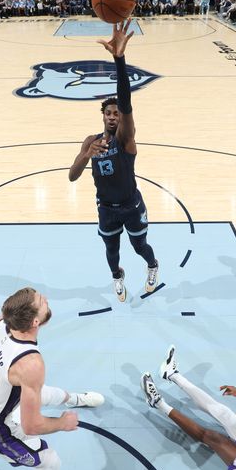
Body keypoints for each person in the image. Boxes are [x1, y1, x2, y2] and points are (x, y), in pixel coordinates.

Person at [0, 287, 104, 470]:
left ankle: (75, 399)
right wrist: (62, 424)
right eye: (42, 302)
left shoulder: (2, 322)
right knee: (51, 462)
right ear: (35, 322)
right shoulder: (30, 363)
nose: (46, 299)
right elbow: (31, 426)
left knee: (43, 392)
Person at [67, 20, 159, 302]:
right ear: (103, 115)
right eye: (108, 112)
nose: (112, 115)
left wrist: (119, 60)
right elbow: (72, 176)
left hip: (131, 204)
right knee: (111, 251)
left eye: (116, 112)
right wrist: (85, 154)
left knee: (139, 245)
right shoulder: (90, 140)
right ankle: (117, 276)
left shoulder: (126, 139)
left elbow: (127, 101)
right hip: (106, 207)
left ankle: (153, 266)